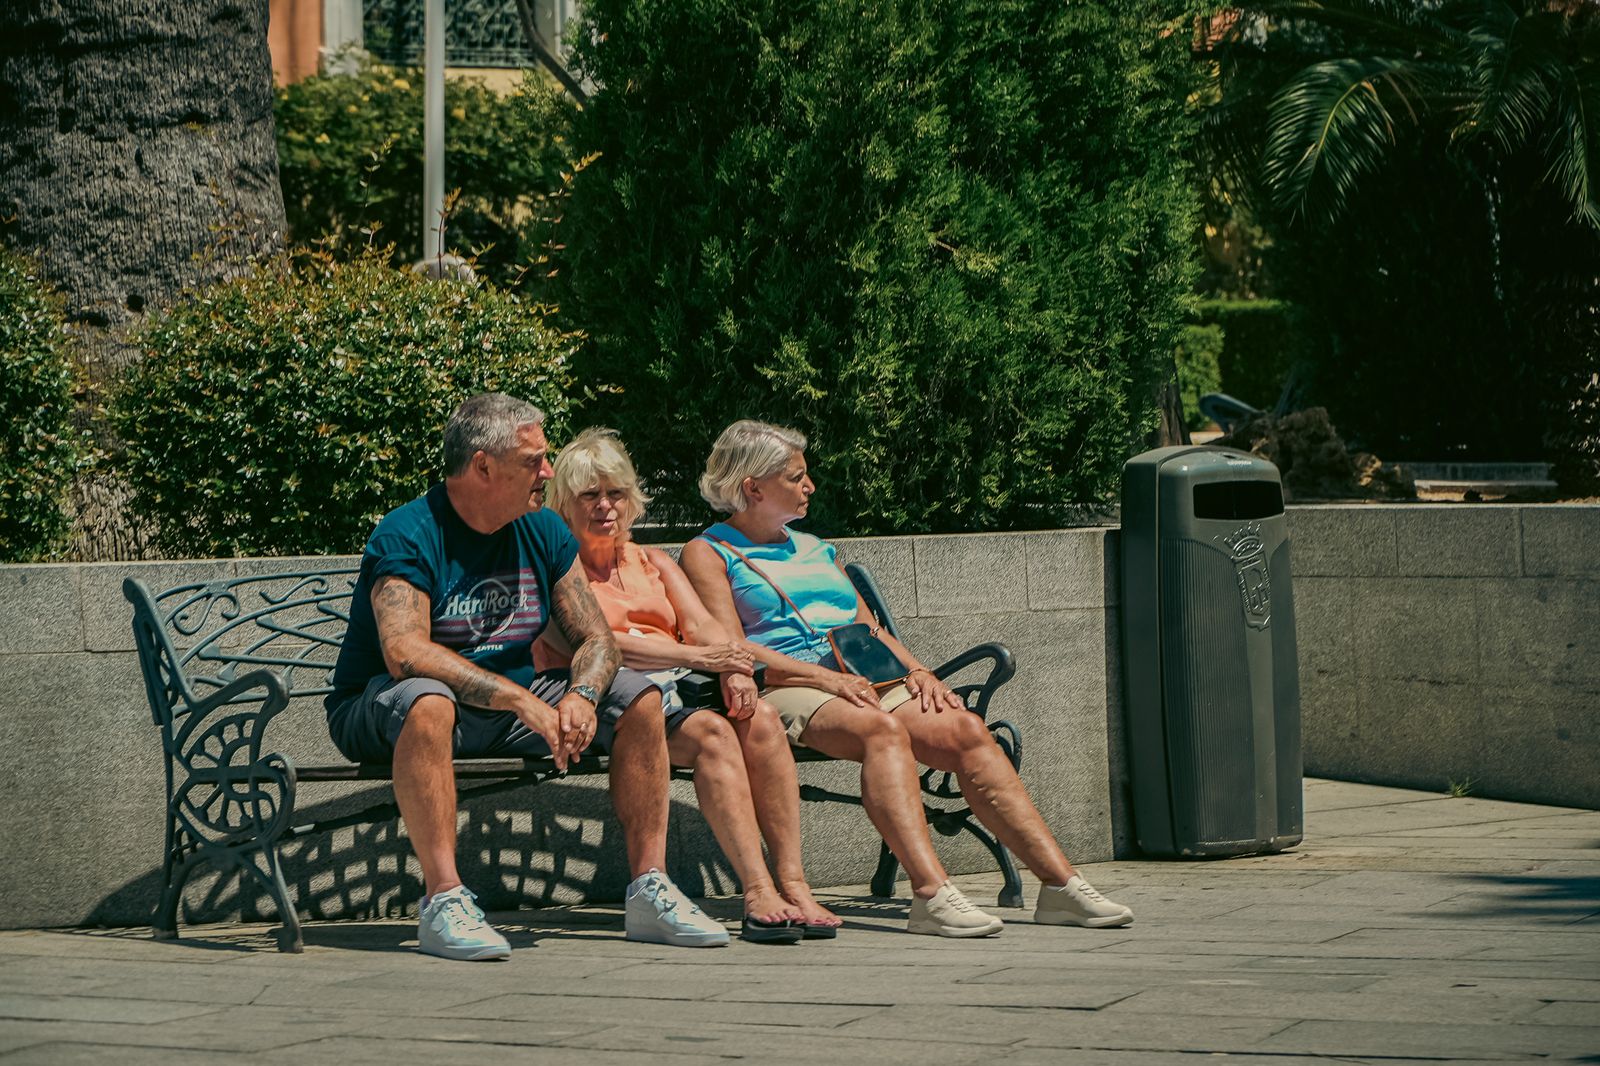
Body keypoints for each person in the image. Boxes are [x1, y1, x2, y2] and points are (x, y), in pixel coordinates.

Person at [681, 419, 1134, 937]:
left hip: (863, 678)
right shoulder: (709, 551)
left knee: (965, 730)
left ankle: (1060, 887)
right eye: (795, 477)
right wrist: (824, 681)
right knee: (882, 731)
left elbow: (867, 628)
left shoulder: (815, 547)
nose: (810, 486)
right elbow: (730, 646)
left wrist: (919, 671)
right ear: (753, 487)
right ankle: (931, 894)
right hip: (788, 686)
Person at [326, 393, 730, 961]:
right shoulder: (409, 532)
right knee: (429, 700)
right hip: (388, 708)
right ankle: (443, 900)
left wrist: (583, 695)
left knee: (638, 699)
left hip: (504, 710)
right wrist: (521, 700)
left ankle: (649, 889)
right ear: (483, 466)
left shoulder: (541, 530)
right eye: (533, 460)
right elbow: (404, 653)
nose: (547, 471)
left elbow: (596, 639)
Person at [536, 428, 842, 941]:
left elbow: (704, 626)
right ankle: (758, 889)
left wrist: (734, 668)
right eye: (590, 495)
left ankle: (785, 885)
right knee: (709, 730)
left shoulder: (652, 562)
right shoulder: (559, 569)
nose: (606, 506)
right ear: (564, 504)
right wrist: (699, 657)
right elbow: (600, 642)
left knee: (756, 721)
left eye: (616, 493)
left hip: (672, 696)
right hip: (600, 702)